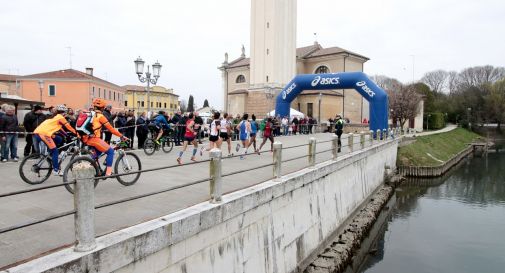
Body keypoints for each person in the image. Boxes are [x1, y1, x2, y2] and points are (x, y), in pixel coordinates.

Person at [81, 98, 128, 176]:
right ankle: (108, 172)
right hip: (94, 139)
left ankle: (93, 168)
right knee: (110, 151)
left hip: (86, 138)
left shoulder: (89, 114)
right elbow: (111, 129)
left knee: (98, 153)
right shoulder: (100, 116)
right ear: (103, 108)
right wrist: (122, 136)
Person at [33, 105, 77, 173]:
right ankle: (56, 170)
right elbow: (68, 126)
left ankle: (51, 154)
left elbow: (60, 129)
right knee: (55, 151)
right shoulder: (60, 117)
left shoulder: (56, 117)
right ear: (64, 113)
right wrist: (77, 133)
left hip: (38, 133)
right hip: (44, 134)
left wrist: (66, 135)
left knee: (59, 139)